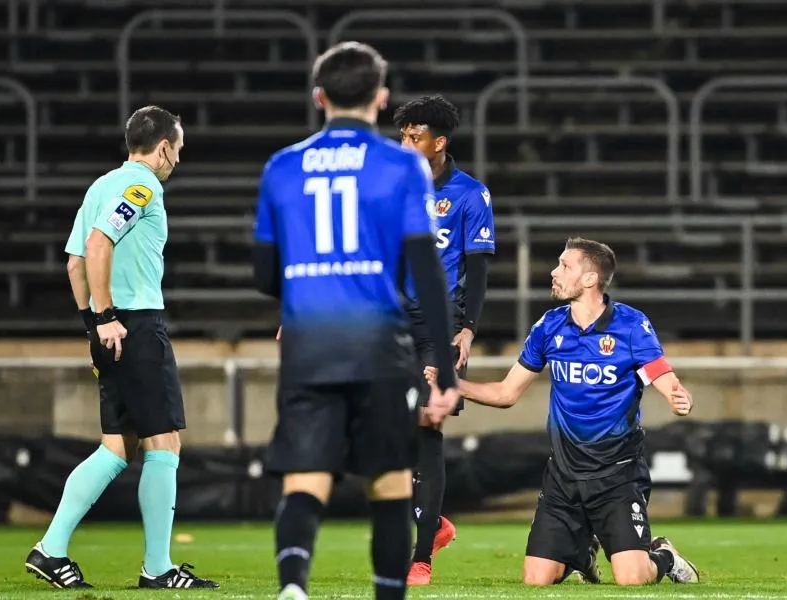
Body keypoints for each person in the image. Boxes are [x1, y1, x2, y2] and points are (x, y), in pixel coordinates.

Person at [252, 42, 461, 600]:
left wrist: (312, 285)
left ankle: (294, 586)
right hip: (378, 345)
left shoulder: (282, 167)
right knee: (390, 483)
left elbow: (265, 274)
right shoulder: (402, 167)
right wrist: (446, 370)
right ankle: (388, 593)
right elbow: (426, 272)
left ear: (319, 96)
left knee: (305, 479)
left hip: (309, 343)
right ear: (381, 97)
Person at [424, 237, 700, 587]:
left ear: (590, 280)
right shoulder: (549, 326)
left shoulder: (631, 325)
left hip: (616, 476)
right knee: (536, 580)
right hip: (563, 477)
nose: (554, 272)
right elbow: (507, 393)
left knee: (632, 578)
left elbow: (663, 375)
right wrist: (452, 384)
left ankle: (664, 555)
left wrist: (679, 397)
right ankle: (581, 553)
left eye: (564, 266)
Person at [25, 105, 219, 589]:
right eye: (178, 151)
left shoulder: (98, 186)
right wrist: (110, 316)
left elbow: (74, 264)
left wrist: (92, 322)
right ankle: (157, 568)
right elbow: (97, 245)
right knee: (164, 442)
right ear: (164, 148)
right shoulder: (143, 186)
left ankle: (51, 548)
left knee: (118, 445)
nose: (177, 160)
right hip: (133, 323)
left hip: (107, 325)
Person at [393, 95, 496, 585]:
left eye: (415, 137)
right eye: (403, 135)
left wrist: (467, 328)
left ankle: (420, 557)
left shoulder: (470, 195)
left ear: (439, 143)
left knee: (428, 425)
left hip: (441, 321)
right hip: (390, 321)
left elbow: (477, 270)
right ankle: (432, 524)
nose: (406, 144)